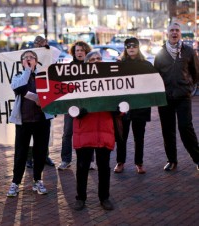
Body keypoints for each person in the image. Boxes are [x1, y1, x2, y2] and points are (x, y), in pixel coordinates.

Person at [7, 50, 53, 197]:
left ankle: (38, 180)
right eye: (25, 58)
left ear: (36, 61)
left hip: (41, 120)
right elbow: (19, 88)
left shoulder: (43, 76)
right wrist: (27, 70)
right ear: (22, 62)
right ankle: (15, 182)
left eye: (31, 57)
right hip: (24, 121)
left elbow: (50, 93)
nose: (28, 59)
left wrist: (43, 101)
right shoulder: (18, 76)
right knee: (21, 153)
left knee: (40, 152)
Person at [72, 51, 115, 211]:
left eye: (98, 59)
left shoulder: (111, 81)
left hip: (104, 129)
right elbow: (68, 103)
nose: (96, 61)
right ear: (87, 63)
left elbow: (120, 100)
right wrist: (77, 110)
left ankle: (104, 197)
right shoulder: (77, 81)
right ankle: (80, 198)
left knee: (104, 167)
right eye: (92, 59)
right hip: (85, 129)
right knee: (82, 166)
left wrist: (119, 110)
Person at [154, 22, 199, 171]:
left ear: (181, 33)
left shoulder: (188, 51)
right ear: (167, 33)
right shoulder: (160, 54)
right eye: (171, 30)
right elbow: (155, 76)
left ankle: (197, 159)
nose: (174, 33)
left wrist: (189, 88)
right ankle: (172, 160)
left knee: (185, 127)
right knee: (167, 129)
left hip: (183, 96)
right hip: (164, 97)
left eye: (177, 30)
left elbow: (195, 73)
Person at [114, 37, 152, 174]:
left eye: (134, 46)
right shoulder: (118, 65)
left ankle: (139, 163)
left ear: (138, 47)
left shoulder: (146, 64)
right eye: (128, 46)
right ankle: (120, 162)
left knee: (139, 137)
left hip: (140, 106)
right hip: (123, 106)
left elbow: (152, 84)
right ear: (125, 48)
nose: (131, 48)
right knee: (121, 137)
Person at [58, 41, 92, 170]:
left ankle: (90, 160)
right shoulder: (69, 67)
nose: (79, 53)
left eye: (82, 50)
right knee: (67, 132)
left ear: (86, 52)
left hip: (88, 105)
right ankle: (65, 160)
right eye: (77, 50)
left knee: (88, 133)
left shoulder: (91, 66)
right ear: (74, 52)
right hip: (71, 105)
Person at [26, 35, 55, 168]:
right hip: (32, 98)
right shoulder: (28, 56)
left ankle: (45, 156)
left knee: (45, 132)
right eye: (38, 44)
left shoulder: (48, 55)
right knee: (31, 131)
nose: (40, 45)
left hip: (45, 96)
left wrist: (48, 51)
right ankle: (29, 158)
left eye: (42, 43)